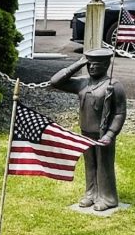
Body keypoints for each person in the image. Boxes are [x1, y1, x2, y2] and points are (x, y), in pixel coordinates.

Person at [49, 49, 127, 211]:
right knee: (90, 164)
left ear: (106, 65)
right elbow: (55, 81)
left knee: (104, 165)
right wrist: (78, 64)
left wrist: (110, 134)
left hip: (103, 133)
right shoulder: (83, 83)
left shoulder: (113, 85)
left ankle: (108, 197)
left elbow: (120, 113)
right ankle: (91, 193)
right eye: (89, 64)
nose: (91, 68)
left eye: (95, 65)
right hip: (85, 131)